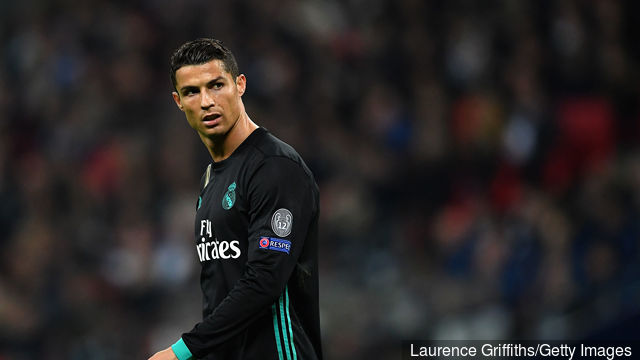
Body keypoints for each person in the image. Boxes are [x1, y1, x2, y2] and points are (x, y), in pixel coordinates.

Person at [148, 38, 322, 360]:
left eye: (216, 85)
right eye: (191, 92)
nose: (206, 101)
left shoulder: (274, 167)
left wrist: (183, 351)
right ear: (178, 101)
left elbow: (265, 280)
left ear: (239, 85)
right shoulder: (210, 180)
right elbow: (221, 290)